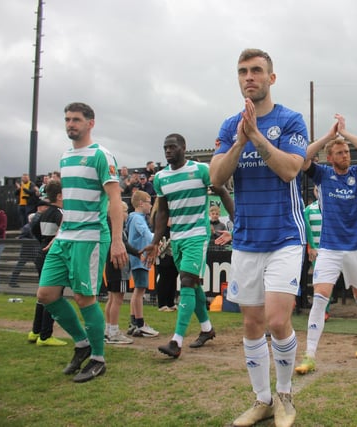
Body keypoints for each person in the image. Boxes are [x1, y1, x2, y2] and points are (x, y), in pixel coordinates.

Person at [210, 48, 307, 427]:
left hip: (285, 236)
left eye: (256, 71)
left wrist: (258, 139)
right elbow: (216, 179)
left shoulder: (291, 120)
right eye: (242, 72)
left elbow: (290, 170)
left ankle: (284, 396)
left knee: (278, 320)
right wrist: (239, 140)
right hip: (247, 240)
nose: (249, 77)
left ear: (271, 78)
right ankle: (261, 400)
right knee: (251, 324)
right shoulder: (228, 125)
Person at [37, 102, 128, 383]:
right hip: (65, 237)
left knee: (83, 297)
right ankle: (82, 344)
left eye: (76, 119)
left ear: (91, 122)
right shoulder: (65, 156)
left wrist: (116, 241)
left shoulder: (101, 155)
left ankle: (98, 359)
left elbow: (115, 199)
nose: (70, 124)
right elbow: (72, 201)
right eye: (66, 119)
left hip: (89, 237)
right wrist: (58, 234)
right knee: (46, 295)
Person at [295, 113, 357, 374]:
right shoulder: (322, 175)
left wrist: (347, 134)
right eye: (340, 152)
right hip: (329, 248)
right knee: (319, 298)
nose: (346, 155)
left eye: (346, 151)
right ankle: (309, 355)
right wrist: (329, 137)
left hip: (356, 247)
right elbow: (302, 156)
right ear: (330, 158)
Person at [144, 133, 233, 359]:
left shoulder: (200, 170)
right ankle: (206, 329)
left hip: (197, 235)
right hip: (178, 237)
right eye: (165, 148)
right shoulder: (161, 178)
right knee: (192, 286)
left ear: (184, 148)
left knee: (186, 281)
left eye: (172, 147)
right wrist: (155, 241)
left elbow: (222, 190)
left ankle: (176, 341)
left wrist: (239, 222)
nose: (168, 151)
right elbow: (162, 211)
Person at [28, 180, 66, 346]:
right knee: (53, 295)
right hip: (53, 255)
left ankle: (35, 331)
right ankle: (45, 335)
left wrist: (44, 241)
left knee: (42, 295)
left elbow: (34, 229)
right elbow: (64, 231)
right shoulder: (59, 213)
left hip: (42, 252)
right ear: (59, 196)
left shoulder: (44, 212)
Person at [125, 190, 159, 338]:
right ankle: (140, 324)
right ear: (141, 203)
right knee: (140, 291)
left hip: (137, 259)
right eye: (148, 202)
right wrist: (158, 239)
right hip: (140, 259)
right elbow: (146, 233)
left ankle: (134, 323)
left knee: (137, 292)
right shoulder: (138, 219)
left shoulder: (133, 218)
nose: (151, 205)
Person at [104, 200, 137, 345]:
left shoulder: (109, 227)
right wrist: (139, 252)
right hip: (119, 268)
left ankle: (108, 329)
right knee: (117, 299)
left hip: (111, 267)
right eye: (125, 211)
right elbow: (126, 246)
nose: (126, 214)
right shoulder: (116, 229)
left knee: (111, 298)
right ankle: (113, 331)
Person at [8, 201, 49, 288]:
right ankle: (12, 281)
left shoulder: (35, 227)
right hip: (26, 251)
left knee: (39, 267)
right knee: (19, 266)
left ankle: (43, 283)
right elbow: (21, 237)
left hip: (34, 251)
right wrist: (31, 240)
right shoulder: (26, 227)